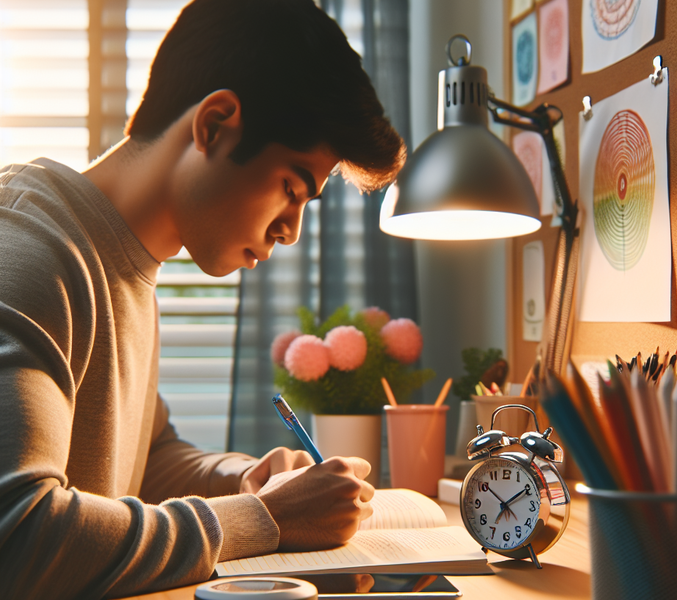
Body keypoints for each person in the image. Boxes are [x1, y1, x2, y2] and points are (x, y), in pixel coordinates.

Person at [0, 0, 405, 598]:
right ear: (214, 126)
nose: (291, 230)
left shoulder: (124, 264)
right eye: (291, 187)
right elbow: (18, 537)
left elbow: (150, 458)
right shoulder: (29, 255)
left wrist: (243, 479)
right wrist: (266, 519)